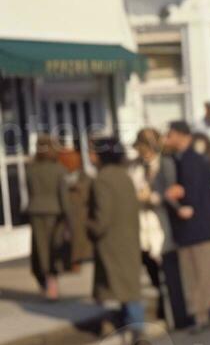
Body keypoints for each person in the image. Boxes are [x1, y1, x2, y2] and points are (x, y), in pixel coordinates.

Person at [165, 121, 210, 330]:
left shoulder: (194, 160)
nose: (168, 138)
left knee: (204, 270)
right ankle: (199, 312)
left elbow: (197, 192)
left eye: (171, 134)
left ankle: (208, 311)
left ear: (182, 136)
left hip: (199, 226)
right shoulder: (178, 159)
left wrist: (185, 199)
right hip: (189, 228)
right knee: (192, 272)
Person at [87, 136, 144, 333]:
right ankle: (135, 324)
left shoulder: (102, 179)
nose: (90, 156)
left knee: (111, 286)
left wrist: (90, 228)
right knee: (129, 286)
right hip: (129, 237)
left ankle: (120, 325)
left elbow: (103, 215)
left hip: (111, 242)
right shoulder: (124, 175)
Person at [130, 128, 185, 327]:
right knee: (150, 264)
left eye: (147, 149)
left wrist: (154, 197)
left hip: (161, 221)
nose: (144, 153)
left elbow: (171, 191)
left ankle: (174, 310)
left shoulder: (165, 164)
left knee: (168, 266)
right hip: (142, 222)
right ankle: (163, 301)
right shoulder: (135, 167)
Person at [27, 135, 67, 301]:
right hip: (54, 212)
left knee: (40, 249)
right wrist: (67, 216)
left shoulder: (31, 169)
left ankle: (45, 283)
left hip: (36, 211)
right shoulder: (58, 169)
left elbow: (30, 191)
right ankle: (52, 283)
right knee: (53, 248)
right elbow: (63, 195)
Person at [59, 147, 93, 272]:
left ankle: (77, 260)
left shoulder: (85, 178)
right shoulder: (61, 177)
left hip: (81, 215)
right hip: (68, 215)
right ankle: (72, 262)